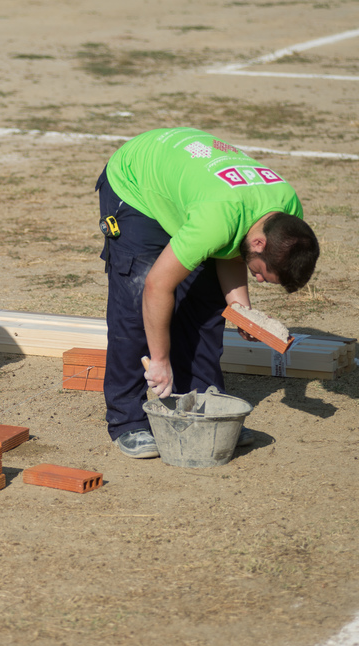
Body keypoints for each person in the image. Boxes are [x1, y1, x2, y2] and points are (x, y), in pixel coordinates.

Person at [97, 127, 319, 459]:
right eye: (260, 273)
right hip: (138, 184)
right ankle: (127, 420)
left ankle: (202, 404)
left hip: (192, 195)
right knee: (137, 301)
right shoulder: (217, 218)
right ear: (260, 244)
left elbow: (231, 248)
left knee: (205, 305)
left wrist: (241, 308)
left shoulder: (286, 209)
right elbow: (158, 286)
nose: (257, 280)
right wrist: (159, 362)